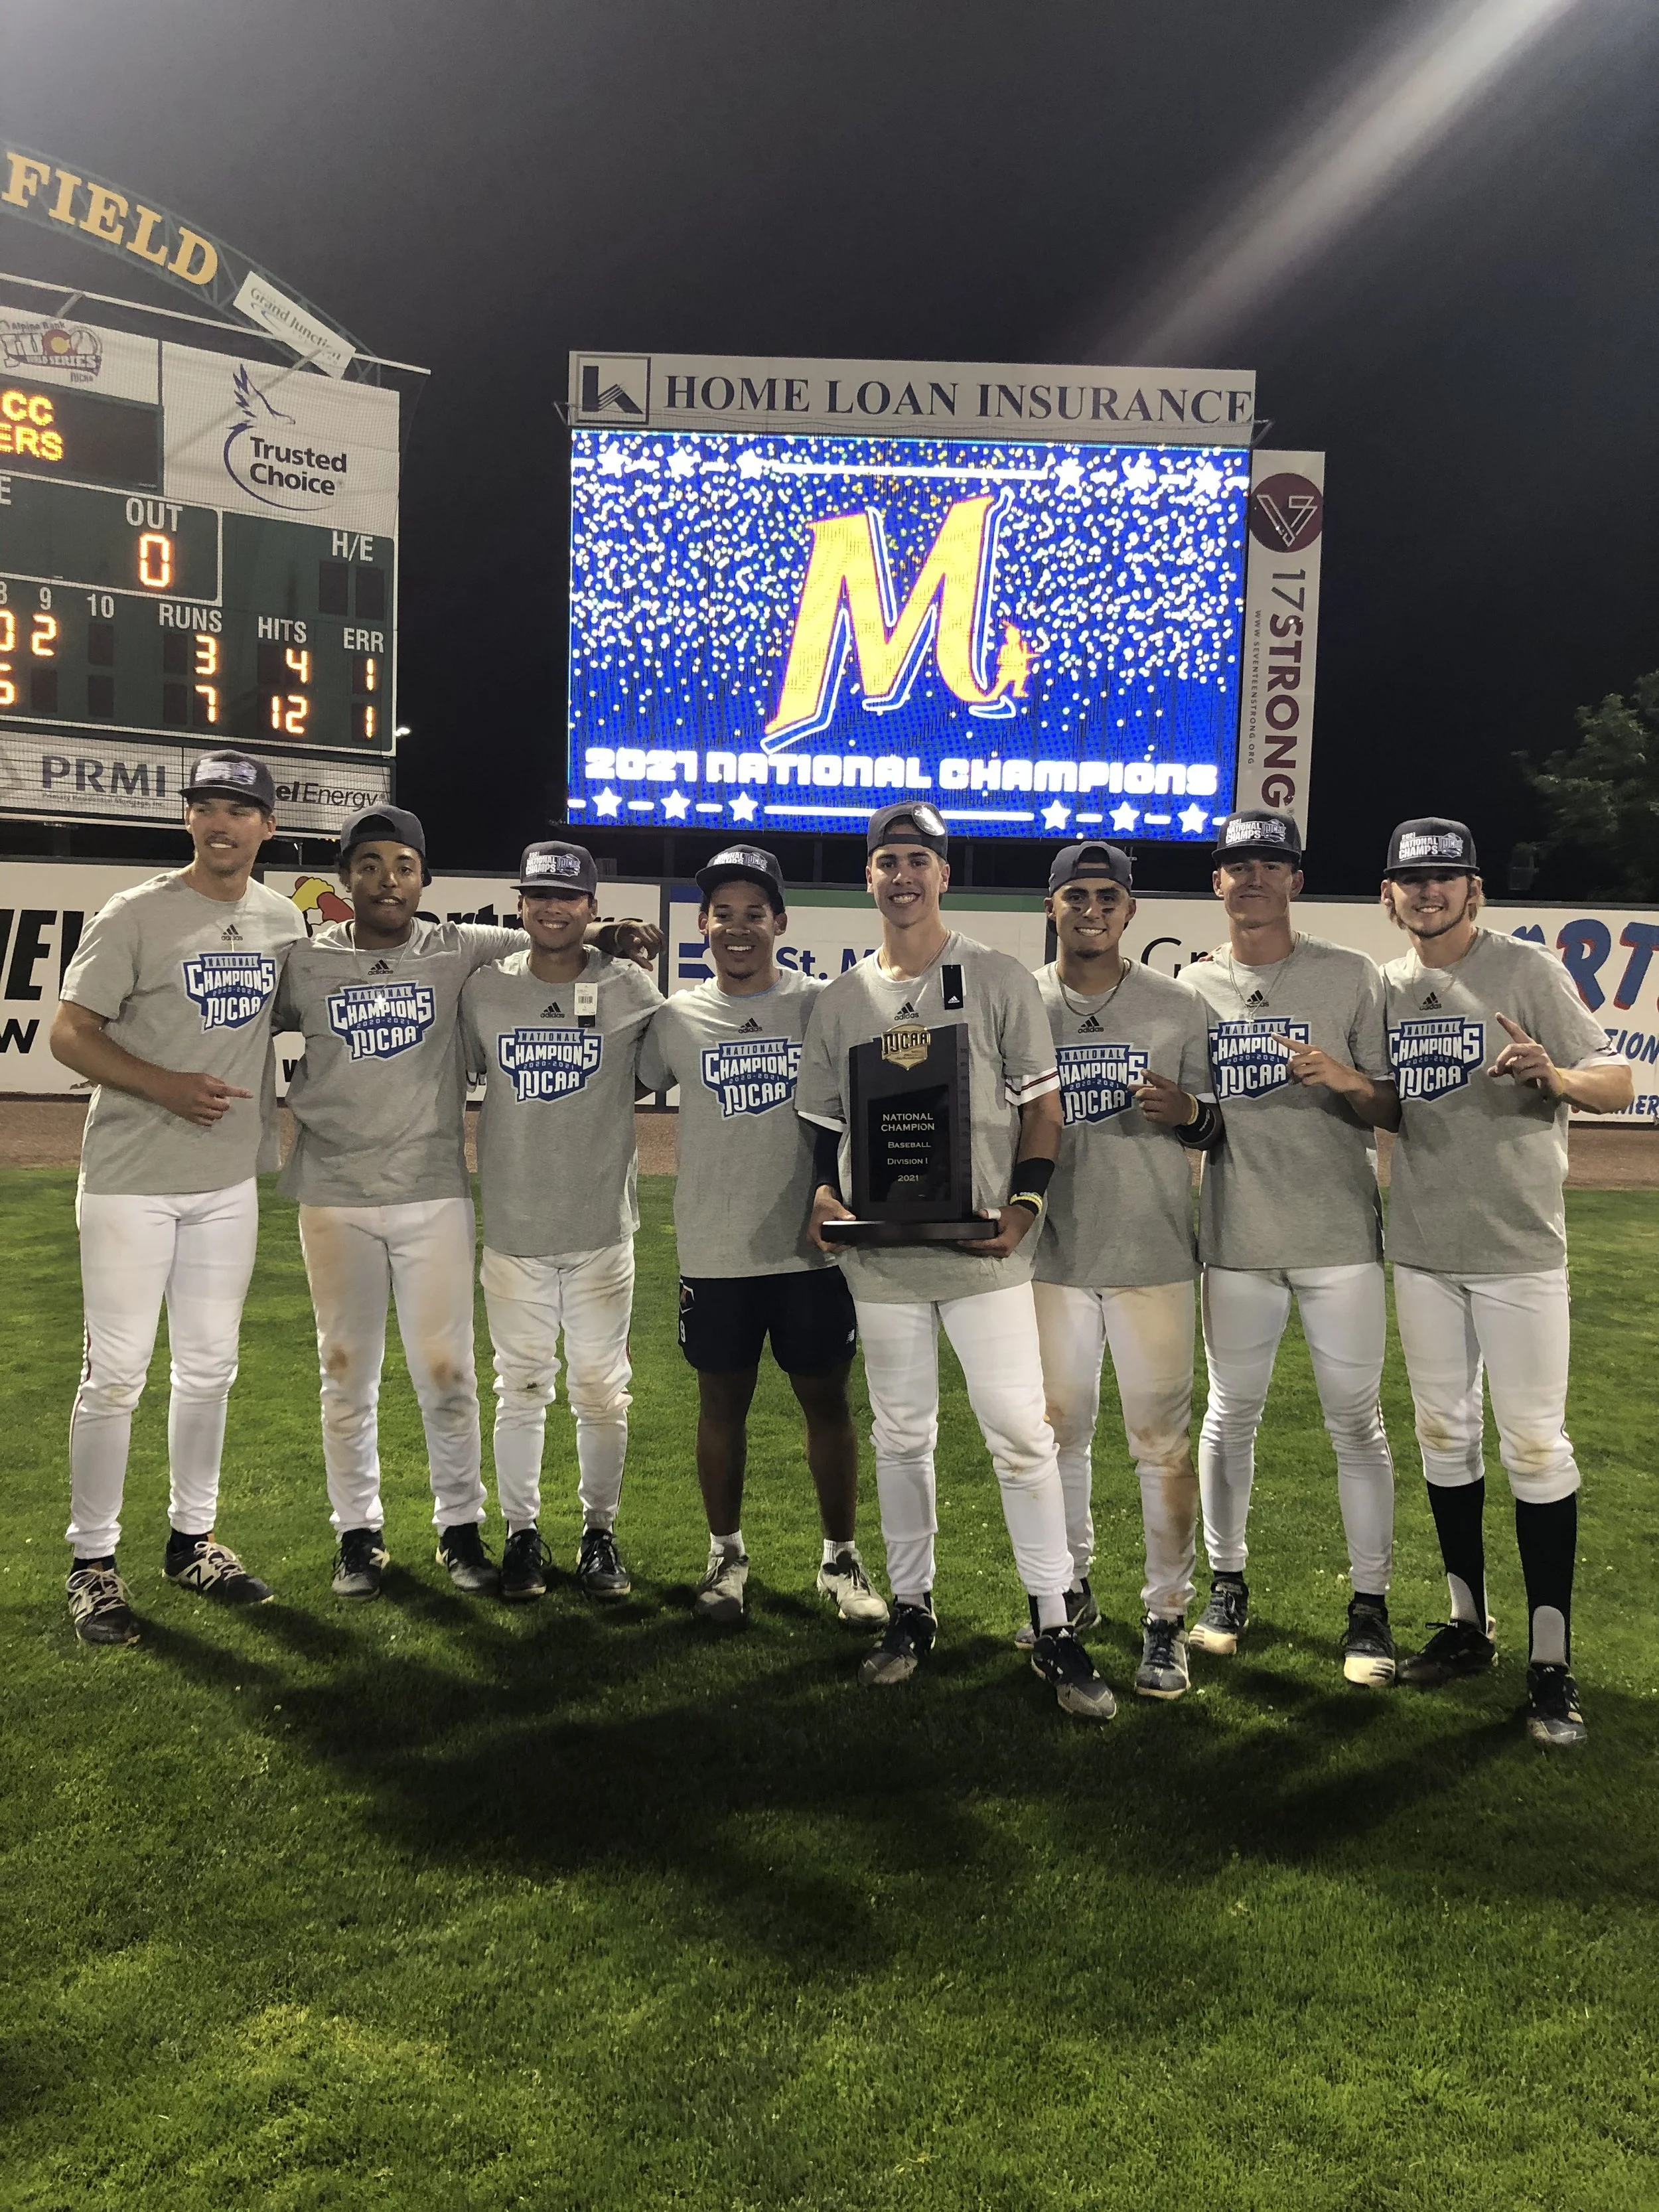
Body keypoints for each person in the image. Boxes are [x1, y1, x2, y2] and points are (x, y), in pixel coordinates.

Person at [797, 802, 1117, 1720]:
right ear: (870, 877)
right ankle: (910, 1608)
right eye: (887, 861)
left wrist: (1025, 1205)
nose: (903, 876)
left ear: (945, 874)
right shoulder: (842, 998)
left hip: (981, 1253)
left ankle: (1054, 1625)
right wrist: (824, 1193)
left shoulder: (997, 976)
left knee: (1021, 1435)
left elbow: (1043, 1111)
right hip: (885, 1259)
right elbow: (825, 1130)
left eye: (919, 860)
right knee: (903, 1436)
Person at [1378, 818, 1630, 1748]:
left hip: (1521, 1251)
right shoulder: (1389, 989)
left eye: (1447, 878)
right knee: (1443, 1439)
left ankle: (1552, 1665)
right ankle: (1466, 1626)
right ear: (1389, 896)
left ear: (1475, 892)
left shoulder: (1526, 971)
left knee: (1534, 1449)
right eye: (1414, 879)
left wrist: (1554, 1073)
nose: (1430, 892)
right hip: (1424, 1250)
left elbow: (1617, 1085)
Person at [49, 749, 305, 1643]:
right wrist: (162, 1085)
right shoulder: (137, 915)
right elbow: (69, 1036)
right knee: (117, 1372)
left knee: (210, 1367)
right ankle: (92, 1563)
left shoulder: (282, 921)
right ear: (188, 820)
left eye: (242, 809)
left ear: (268, 828)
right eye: (209, 807)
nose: (224, 822)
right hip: (129, 1177)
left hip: (227, 1181)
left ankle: (192, 1541)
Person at [275, 806, 525, 1601]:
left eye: (405, 865)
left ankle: (460, 1528)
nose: (389, 879)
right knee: (345, 1369)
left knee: (448, 1371)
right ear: (346, 876)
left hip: (430, 1193)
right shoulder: (302, 962)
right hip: (333, 1194)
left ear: (424, 877)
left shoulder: (456, 948)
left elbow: (548, 941)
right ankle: (357, 1533)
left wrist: (617, 940)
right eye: (372, 864)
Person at [637, 845, 885, 1631]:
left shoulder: (827, 1003)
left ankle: (840, 1557)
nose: (737, 928)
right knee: (721, 1405)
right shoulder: (674, 1018)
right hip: (715, 1249)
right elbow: (618, 1080)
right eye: (723, 914)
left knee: (828, 1403)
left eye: (754, 913)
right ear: (703, 926)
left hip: (813, 1248)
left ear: (780, 922)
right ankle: (725, 1555)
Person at [1181, 810, 1401, 1684]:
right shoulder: (1193, 986)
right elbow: (1195, 1120)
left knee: (1357, 1423)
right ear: (1218, 884)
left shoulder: (1351, 976)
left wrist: (1345, 1079)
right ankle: (1226, 1584)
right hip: (1236, 1238)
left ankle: (1370, 1609)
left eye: (1273, 863)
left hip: (1339, 1236)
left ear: (1296, 881)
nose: (1255, 878)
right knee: (1230, 1414)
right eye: (1239, 865)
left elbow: (1390, 1109)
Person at [1031, 841, 1222, 1700]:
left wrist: (1191, 1113)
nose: (1093, 909)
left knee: (1161, 1446)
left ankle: (1165, 1618)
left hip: (1153, 1256)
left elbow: (1226, 1131)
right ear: (1053, 906)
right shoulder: (1023, 1002)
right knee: (1058, 1434)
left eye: (1109, 896)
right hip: (1053, 1255)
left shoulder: (1179, 1007)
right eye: (1077, 895)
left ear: (1132, 911)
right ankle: (1071, 1589)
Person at [460, 841, 662, 1603]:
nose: (552, 908)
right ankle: (520, 1534)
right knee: (519, 1388)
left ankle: (599, 1532)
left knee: (602, 1391)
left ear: (591, 908)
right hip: (513, 1228)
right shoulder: (484, 990)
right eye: (538, 895)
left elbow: (657, 1069)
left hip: (601, 1229)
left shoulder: (629, 985)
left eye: (568, 898)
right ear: (521, 905)